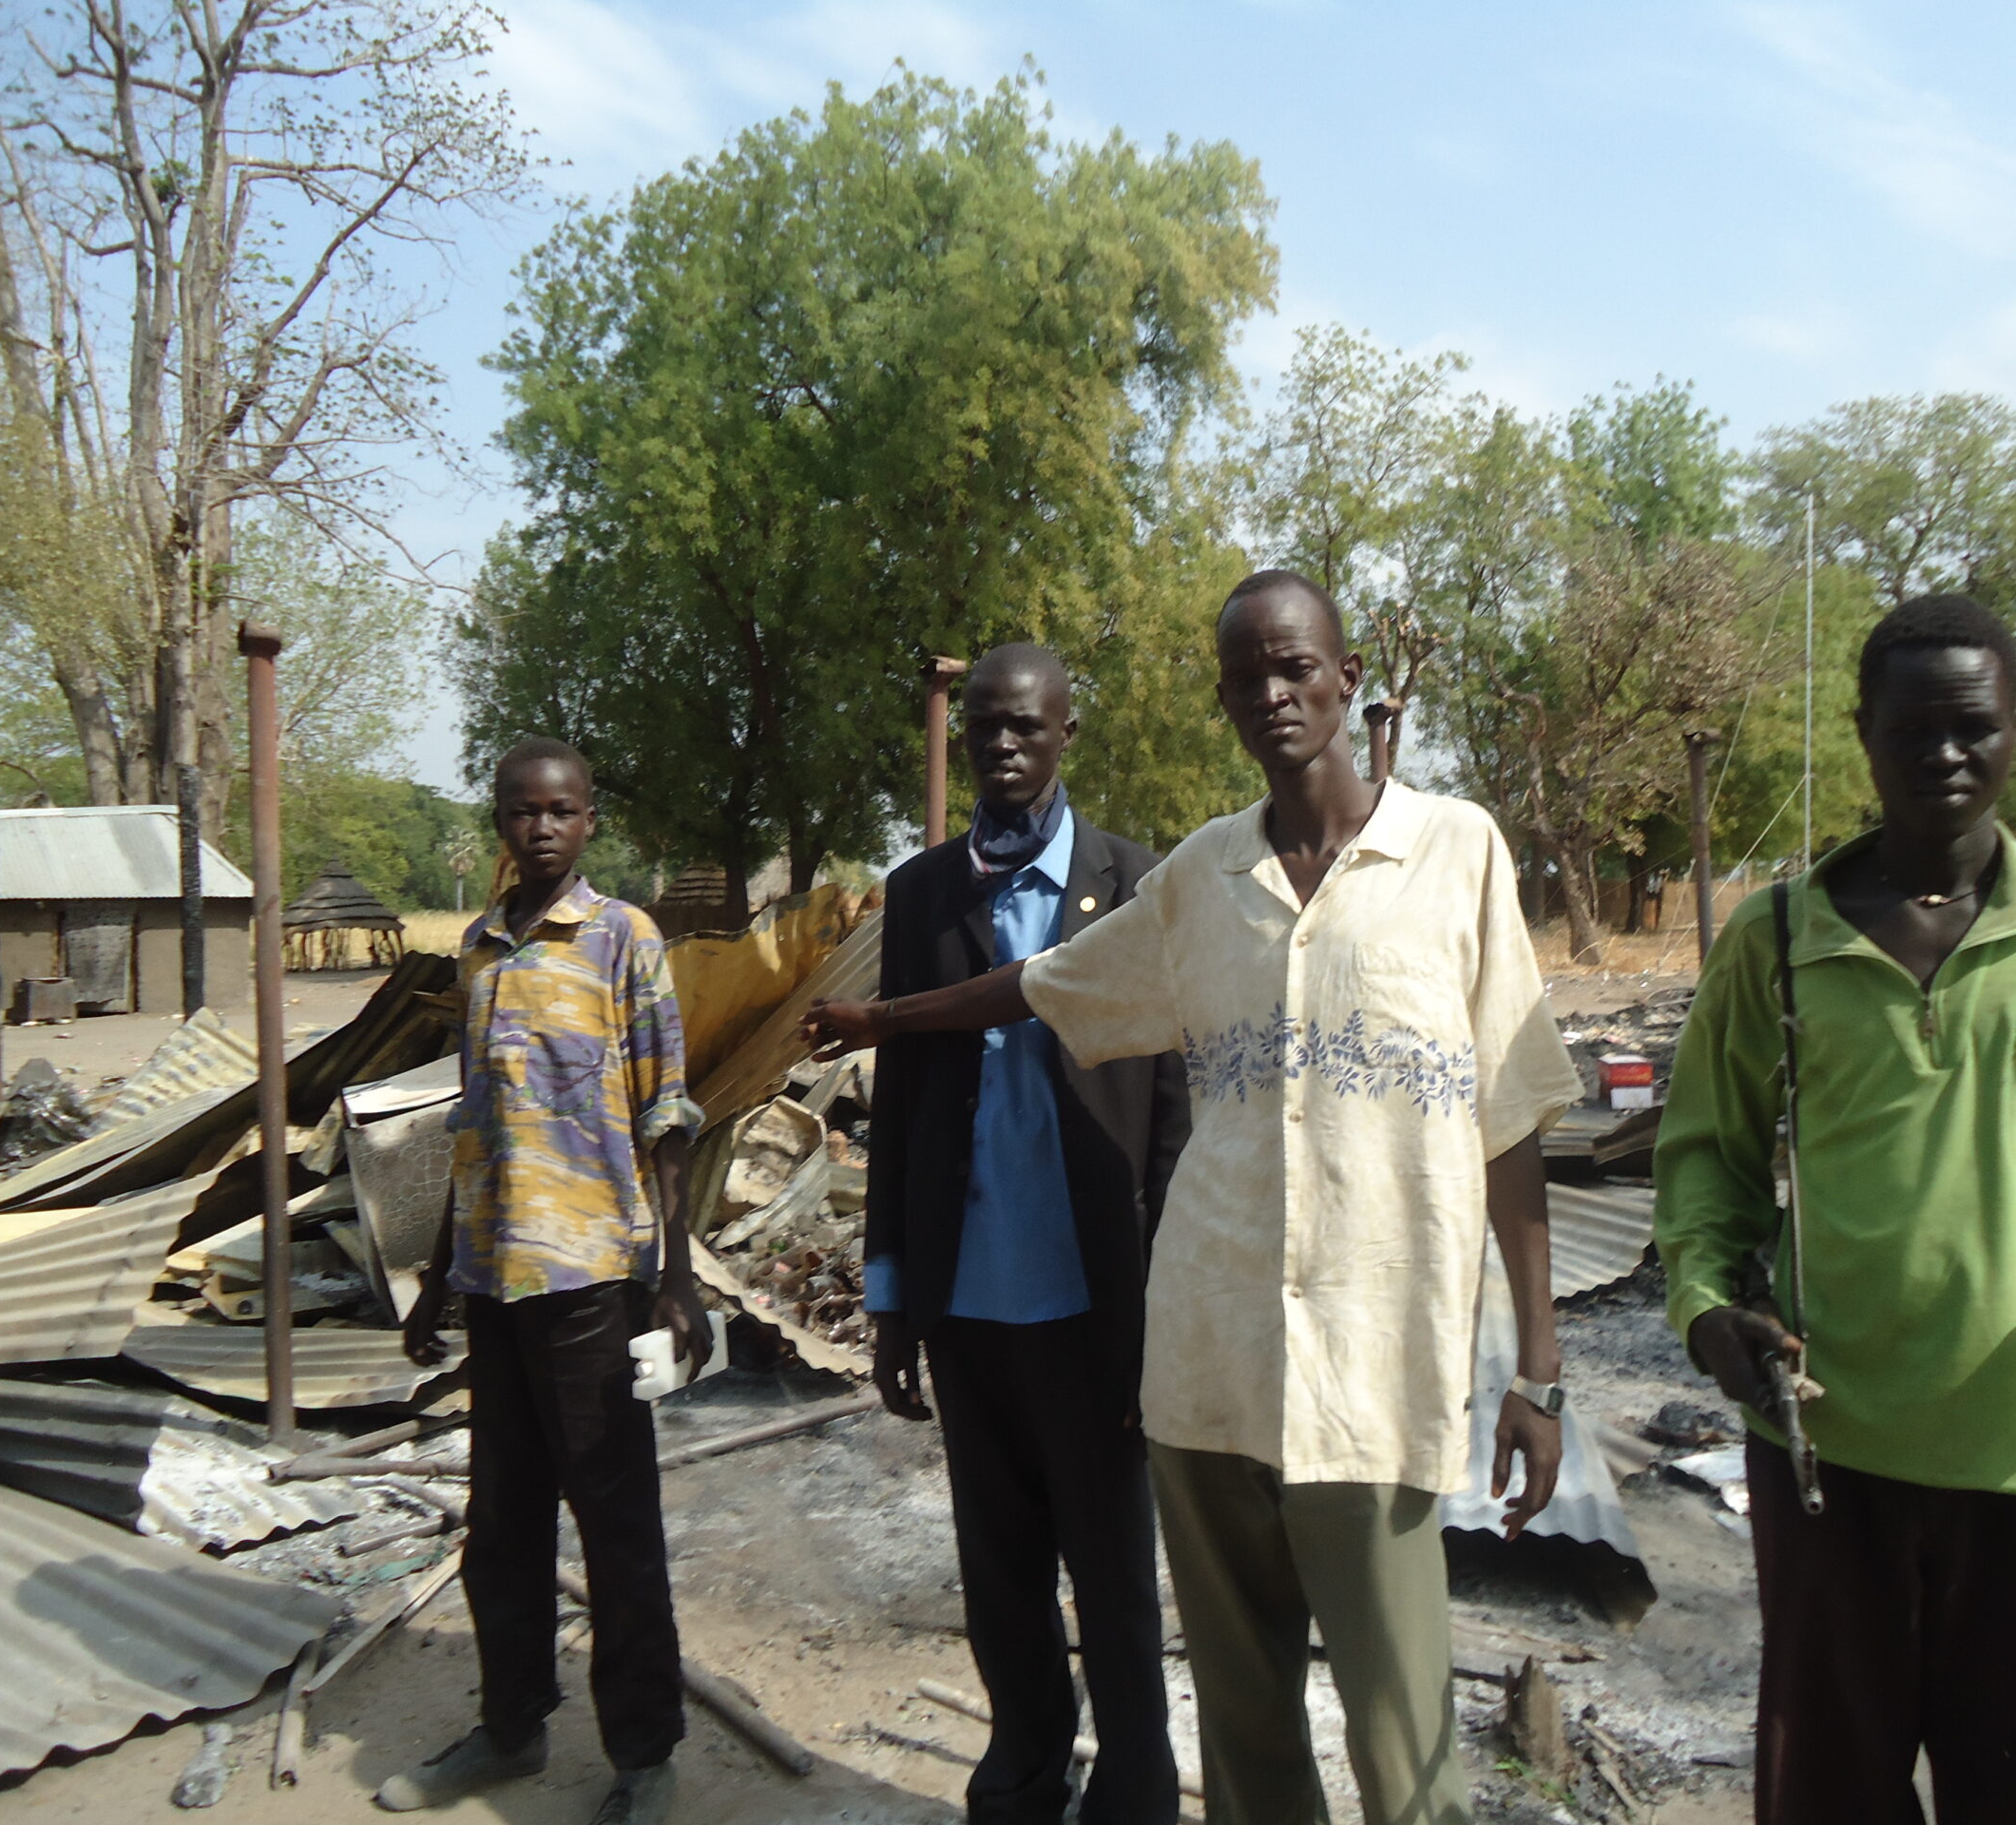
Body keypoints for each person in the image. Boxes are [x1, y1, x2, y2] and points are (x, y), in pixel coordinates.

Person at [809, 572, 1581, 1825]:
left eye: (1296, 669)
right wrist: (875, 1020)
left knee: (1405, 1755)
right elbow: (1039, 987)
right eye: (1246, 677)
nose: (1273, 694)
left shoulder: (1456, 855)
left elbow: (1513, 1117)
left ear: (1345, 680)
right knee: (1249, 1743)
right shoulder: (1200, 877)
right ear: (1223, 698)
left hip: (1373, 1378)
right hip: (1208, 1366)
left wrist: (1539, 1373)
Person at [1654, 596, 2016, 1825]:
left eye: (1975, 728)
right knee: (1831, 1800)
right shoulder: (1777, 943)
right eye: (1912, 729)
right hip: (1828, 1467)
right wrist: (1710, 1314)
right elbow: (1704, 1160)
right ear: (1863, 733)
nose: (1945, 757)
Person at [863, 642, 1191, 1825]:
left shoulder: (1141, 886)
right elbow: (900, 1103)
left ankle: (1136, 1784)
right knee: (998, 1570)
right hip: (967, 1300)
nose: (1003, 746)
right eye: (985, 730)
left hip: (1096, 1304)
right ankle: (1020, 1773)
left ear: (1065, 734)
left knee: (1112, 1571)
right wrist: (893, 1297)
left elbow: (1170, 1120)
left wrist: (1162, 1315)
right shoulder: (921, 895)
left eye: (1026, 728)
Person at [381, 737, 711, 1825]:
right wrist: (434, 1280)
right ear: (500, 824)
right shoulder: (477, 951)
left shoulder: (625, 940)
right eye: (522, 812)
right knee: (501, 1526)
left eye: (561, 811)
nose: (541, 829)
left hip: (591, 1280)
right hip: (495, 1280)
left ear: (590, 821)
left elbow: (668, 1114)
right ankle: (511, 1729)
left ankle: (643, 1757)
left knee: (616, 1528)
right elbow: (472, 1128)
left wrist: (674, 1277)